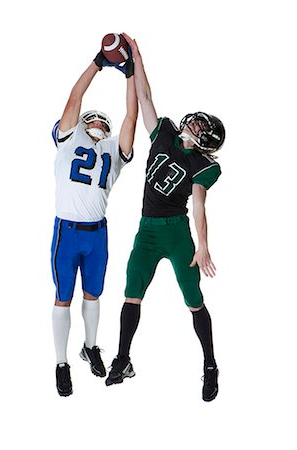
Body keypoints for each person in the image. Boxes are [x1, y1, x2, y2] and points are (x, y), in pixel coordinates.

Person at [105, 33, 225, 402]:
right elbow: (145, 98)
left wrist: (203, 245)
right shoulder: (165, 132)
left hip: (176, 234)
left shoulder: (201, 164)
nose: (194, 126)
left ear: (206, 142)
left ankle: (210, 364)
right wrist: (137, 57)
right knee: (131, 293)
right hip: (146, 229)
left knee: (193, 298)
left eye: (201, 129)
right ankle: (123, 358)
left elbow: (199, 206)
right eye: (197, 122)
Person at [51, 45, 138, 396]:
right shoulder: (68, 139)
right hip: (67, 230)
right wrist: (99, 63)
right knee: (63, 297)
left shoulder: (112, 153)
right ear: (83, 124)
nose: (99, 124)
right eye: (94, 120)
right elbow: (75, 97)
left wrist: (131, 75)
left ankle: (90, 347)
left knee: (93, 295)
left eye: (104, 122)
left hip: (98, 233)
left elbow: (131, 118)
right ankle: (61, 362)